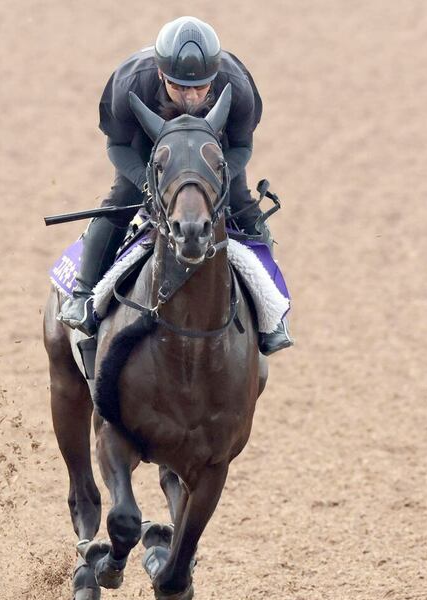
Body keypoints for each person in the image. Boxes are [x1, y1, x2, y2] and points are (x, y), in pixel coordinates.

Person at [58, 16, 293, 354]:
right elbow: (118, 146)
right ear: (159, 75)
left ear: (215, 78)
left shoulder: (237, 86)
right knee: (118, 201)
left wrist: (218, 180)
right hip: (148, 150)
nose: (191, 98)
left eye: (200, 88)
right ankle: (82, 297)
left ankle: (273, 316)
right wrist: (146, 183)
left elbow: (241, 146)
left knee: (244, 209)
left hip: (212, 152)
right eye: (180, 87)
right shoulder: (130, 83)